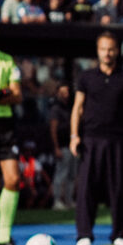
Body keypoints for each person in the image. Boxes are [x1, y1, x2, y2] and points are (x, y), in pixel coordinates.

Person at [70, 32, 123, 245]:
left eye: (111, 49)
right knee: (86, 188)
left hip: (118, 139)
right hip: (90, 139)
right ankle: (84, 235)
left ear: (117, 51)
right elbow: (77, 107)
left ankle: (119, 234)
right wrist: (74, 135)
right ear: (98, 51)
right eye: (103, 49)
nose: (107, 53)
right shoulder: (86, 77)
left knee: (118, 187)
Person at [0, 49, 24, 245]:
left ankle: (3, 237)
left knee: (13, 179)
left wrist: (4, 95)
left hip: (4, 126)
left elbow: (17, 95)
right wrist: (3, 94)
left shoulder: (7, 61)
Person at [48, 82, 76, 211]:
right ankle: (57, 200)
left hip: (72, 146)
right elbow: (53, 129)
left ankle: (69, 200)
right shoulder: (56, 109)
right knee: (61, 174)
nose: (65, 95)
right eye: (62, 92)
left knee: (71, 175)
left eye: (67, 92)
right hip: (62, 145)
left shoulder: (70, 107)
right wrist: (56, 147)